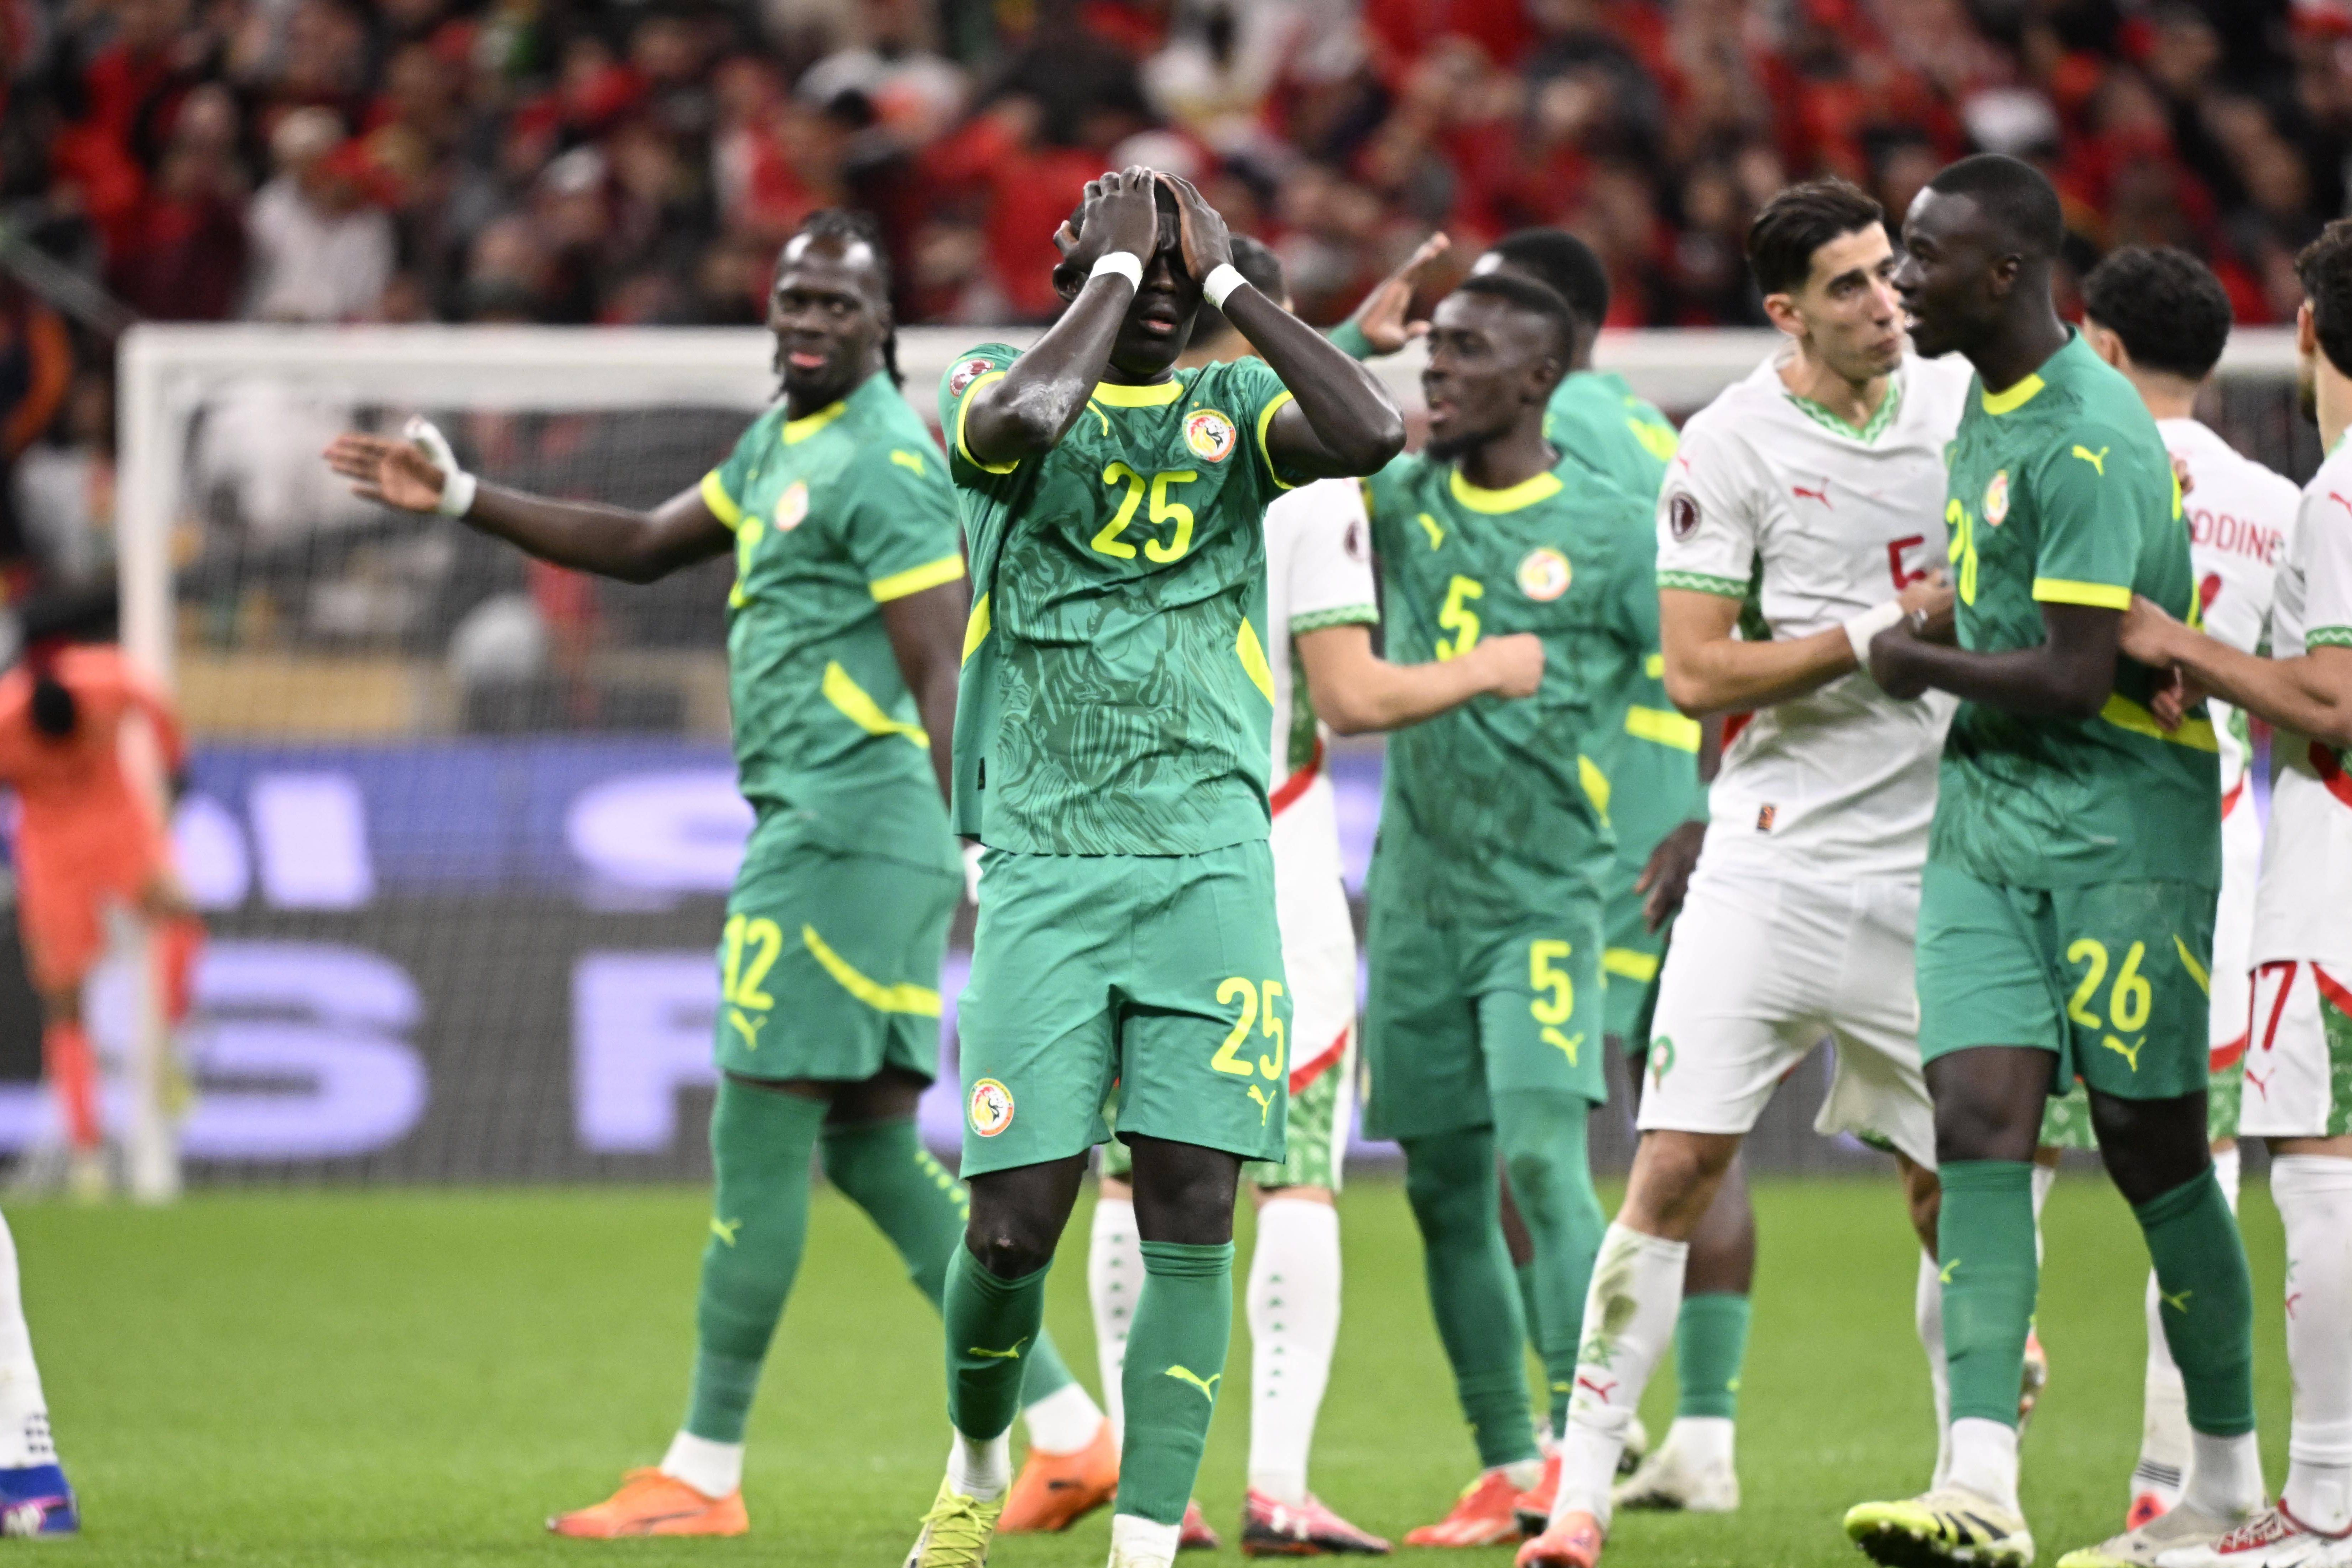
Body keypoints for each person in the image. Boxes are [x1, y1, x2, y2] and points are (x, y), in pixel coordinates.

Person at [325, 208, 1109, 1541]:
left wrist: (975, 840)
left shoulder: (884, 464)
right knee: (866, 1153)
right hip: (828, 832)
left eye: (836, 308)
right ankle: (1069, 1429)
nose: (808, 323)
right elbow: (641, 546)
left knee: (754, 1126)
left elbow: (941, 660)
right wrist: (462, 498)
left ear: (883, 329)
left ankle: (704, 1463)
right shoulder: (781, 441)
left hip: (846, 833)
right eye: (794, 301)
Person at [915, 168, 1403, 1568]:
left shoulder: (1237, 411)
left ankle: (1144, 1551)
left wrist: (1230, 277)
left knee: (1194, 1205)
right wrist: (1122, 268)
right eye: (1132, 266)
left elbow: (1370, 426)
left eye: (1179, 278)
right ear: (1070, 265)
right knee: (1013, 1229)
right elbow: (1013, 424)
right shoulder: (989, 377)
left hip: (1207, 862)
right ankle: (975, 1462)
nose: (1160, 291)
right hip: (1048, 863)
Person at [1514, 178, 1972, 1568]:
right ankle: (1579, 1495)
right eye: (1847, 285)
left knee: (1954, 1189)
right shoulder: (1727, 444)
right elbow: (1696, 668)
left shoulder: (1963, 407)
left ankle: (1973, 1482)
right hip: (1772, 861)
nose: (1884, 301)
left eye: (1888, 272)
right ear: (1786, 313)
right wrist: (1871, 637)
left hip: (1932, 866)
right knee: (1670, 1167)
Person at [1081, 235, 1537, 1558]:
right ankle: (1276, 1480)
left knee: (1125, 1174)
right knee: (1289, 1176)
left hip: (1116, 847)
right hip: (1262, 851)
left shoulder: (1109, 450)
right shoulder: (1310, 476)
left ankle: (1134, 1470)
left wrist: (1342, 331)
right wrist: (1485, 665)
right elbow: (1348, 695)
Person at [1846, 153, 2260, 1568]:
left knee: (2152, 1153)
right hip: (1986, 828)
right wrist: (1957, 606)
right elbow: (2025, 598)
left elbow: (2081, 676)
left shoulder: (2088, 431)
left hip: (2119, 837)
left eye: (1921, 255)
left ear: (2006, 274)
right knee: (1973, 1127)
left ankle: (2220, 1481)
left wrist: (1915, 658)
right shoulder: (1983, 396)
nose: (1898, 279)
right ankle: (1978, 1484)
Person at [1337, 231, 1721, 1521]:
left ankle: (1578, 1454)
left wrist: (1710, 808)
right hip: (1413, 900)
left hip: (1549, 895)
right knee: (1442, 1182)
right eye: (1431, 347)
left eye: (1466, 350)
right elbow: (1275, 430)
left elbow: (1717, 665)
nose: (1434, 370)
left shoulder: (1614, 535)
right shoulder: (1396, 497)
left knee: (1546, 1167)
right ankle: (1504, 1461)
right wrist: (1348, 340)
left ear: (1543, 374)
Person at [2040, 245, 2301, 1532]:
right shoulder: (2278, 501)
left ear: (2093, 342)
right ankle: (2168, 1486)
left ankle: (1973, 1456)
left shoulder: (2073, 465)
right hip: (2222, 861)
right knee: (2188, 1183)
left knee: (1992, 1169)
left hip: (2056, 847)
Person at [2109, 218, 2352, 1568]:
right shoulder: (2297, 492)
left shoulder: (2340, 489)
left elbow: (2334, 700)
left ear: (2307, 333)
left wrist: (2177, 643)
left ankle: (2320, 1506)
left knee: (2320, 1178)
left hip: (2333, 873)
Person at [0, 634, 203, 1202]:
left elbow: (156, 705)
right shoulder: (4, 722)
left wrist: (176, 768)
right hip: (50, 854)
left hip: (118, 828)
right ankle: (87, 1155)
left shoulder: (106, 679)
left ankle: (166, 1045)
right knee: (65, 1002)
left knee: (183, 919)